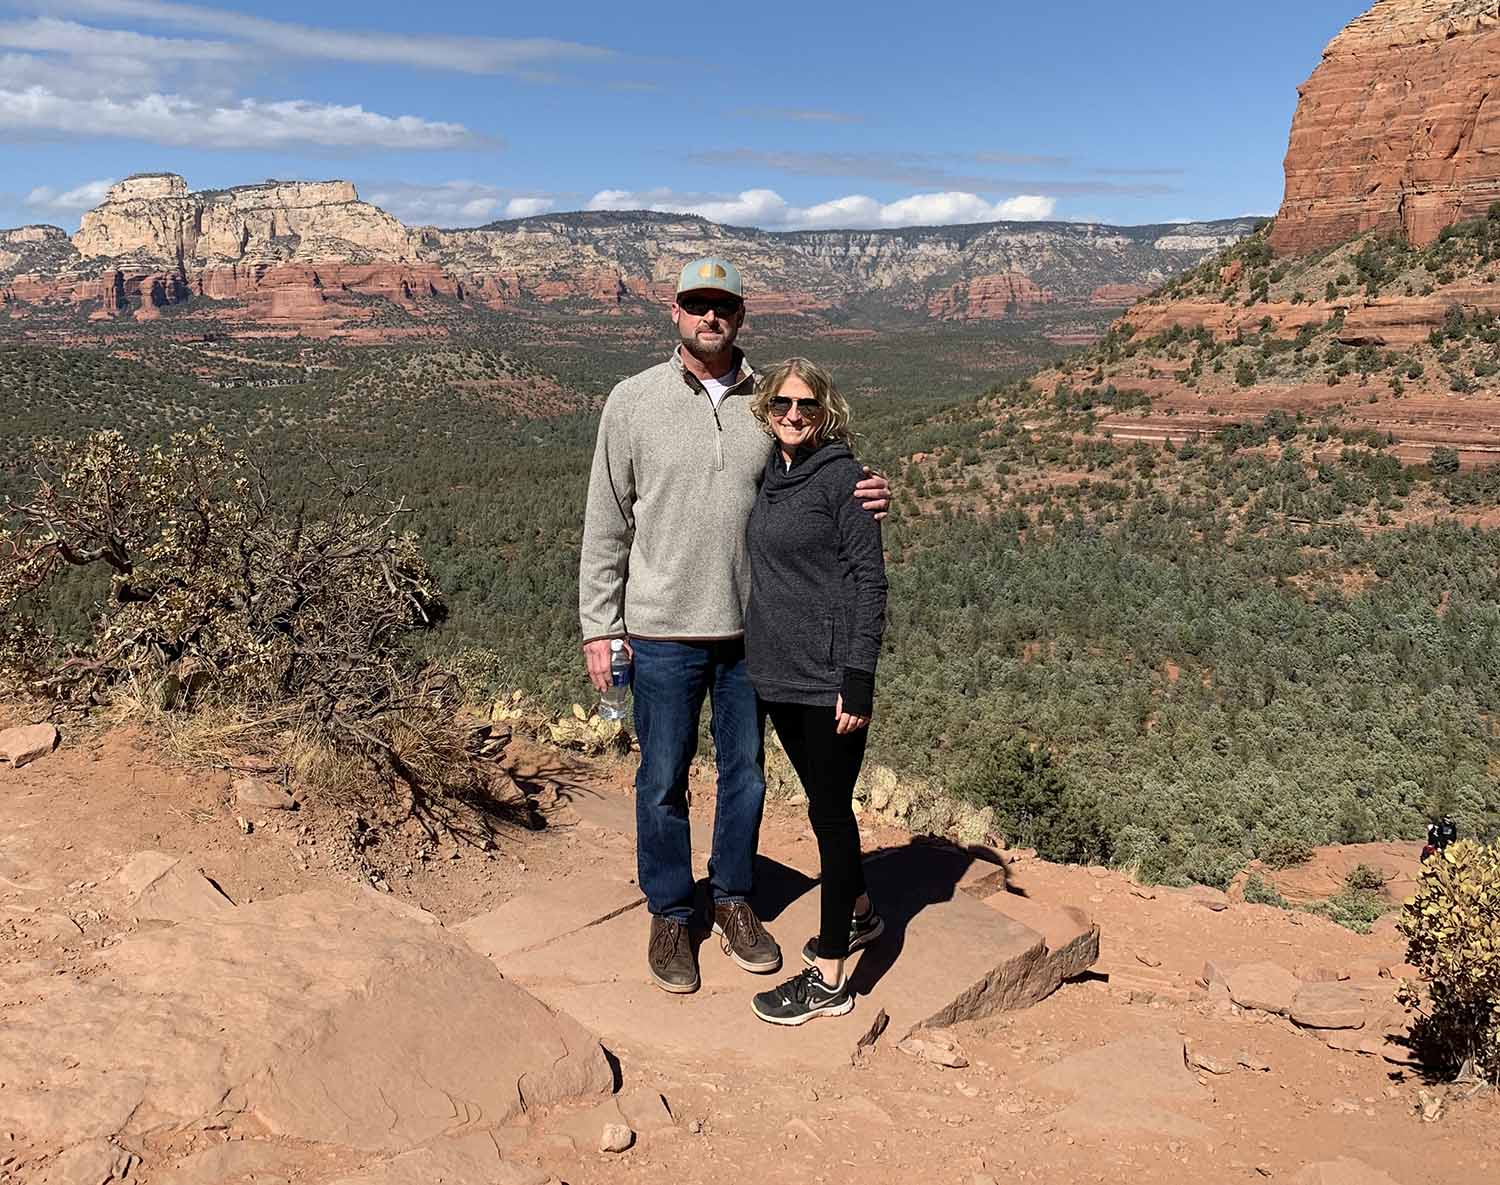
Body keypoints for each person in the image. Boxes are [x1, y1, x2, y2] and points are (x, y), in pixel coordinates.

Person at [579, 258, 890, 995]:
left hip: (753, 637)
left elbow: (818, 470)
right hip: (659, 630)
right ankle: (669, 909)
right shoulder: (632, 401)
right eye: (696, 304)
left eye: (722, 305)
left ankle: (733, 898)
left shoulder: (766, 403)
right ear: (675, 312)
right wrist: (601, 626)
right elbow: (606, 521)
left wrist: (870, 489)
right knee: (661, 778)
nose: (709, 317)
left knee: (745, 777)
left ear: (740, 315)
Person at [744, 358, 887, 1026]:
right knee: (821, 803)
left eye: (805, 405)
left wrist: (857, 680)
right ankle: (861, 916)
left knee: (830, 815)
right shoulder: (773, 469)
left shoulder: (847, 480)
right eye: (780, 403)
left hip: (828, 682)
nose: (793, 414)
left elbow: (869, 582)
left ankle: (831, 977)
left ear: (826, 411)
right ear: (766, 409)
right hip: (775, 675)